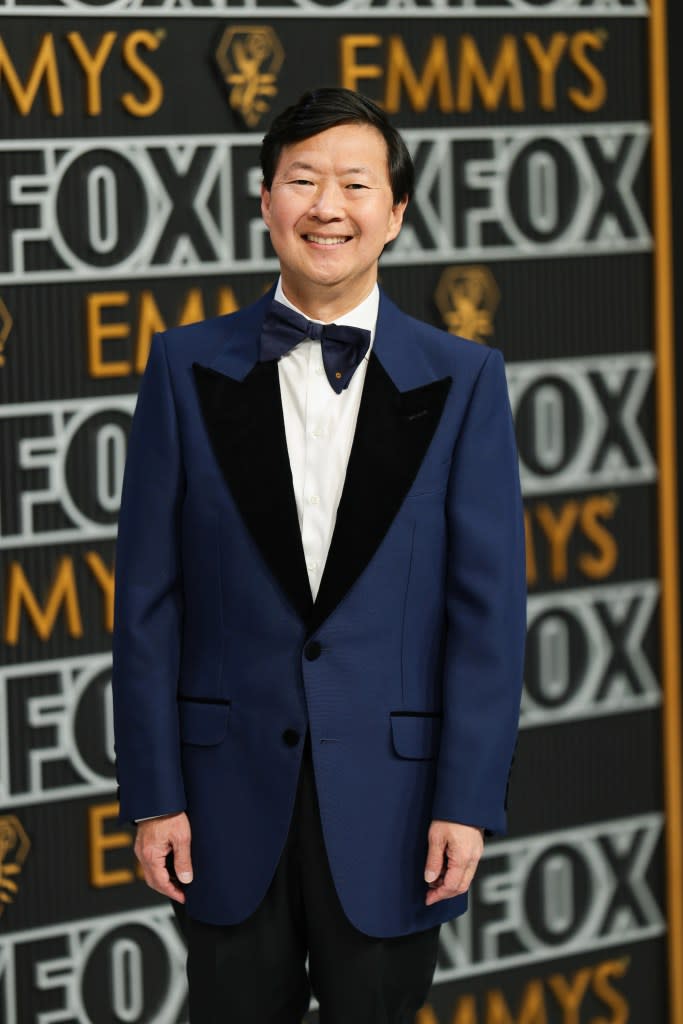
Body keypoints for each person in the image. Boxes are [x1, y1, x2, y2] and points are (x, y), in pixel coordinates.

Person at [112, 87, 526, 1024]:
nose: (326, 207)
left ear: (395, 214)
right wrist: (152, 796)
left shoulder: (463, 382)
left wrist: (466, 800)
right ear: (265, 203)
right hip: (221, 804)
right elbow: (147, 604)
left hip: (398, 806)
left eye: (352, 183)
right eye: (300, 180)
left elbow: (486, 618)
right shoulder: (183, 369)